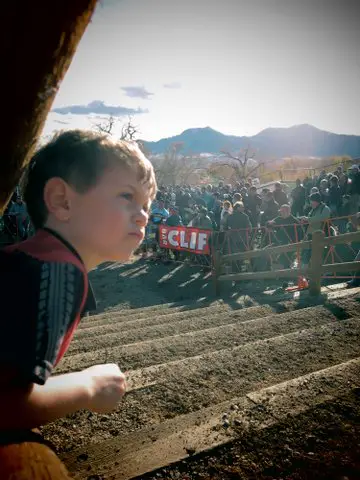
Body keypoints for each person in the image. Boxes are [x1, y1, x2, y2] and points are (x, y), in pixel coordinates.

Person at [0, 130, 157, 477]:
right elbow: (6, 404)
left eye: (146, 205)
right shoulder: (61, 272)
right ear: (62, 201)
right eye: (127, 196)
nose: (143, 215)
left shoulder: (28, 257)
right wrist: (89, 385)